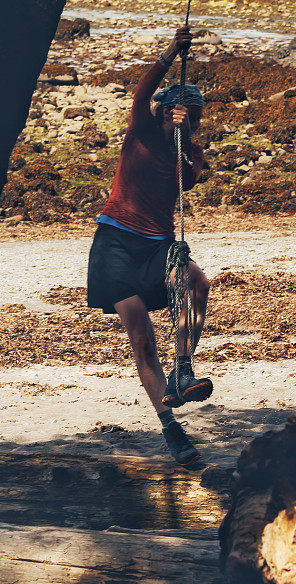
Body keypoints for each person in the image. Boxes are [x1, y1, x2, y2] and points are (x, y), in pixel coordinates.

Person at [87, 26, 212, 465]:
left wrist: (181, 137)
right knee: (141, 339)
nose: (191, 122)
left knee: (197, 282)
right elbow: (142, 95)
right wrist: (170, 53)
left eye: (196, 117)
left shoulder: (193, 155)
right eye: (183, 114)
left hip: (159, 243)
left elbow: (187, 176)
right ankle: (170, 425)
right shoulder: (141, 129)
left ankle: (183, 368)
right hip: (116, 243)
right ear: (163, 113)